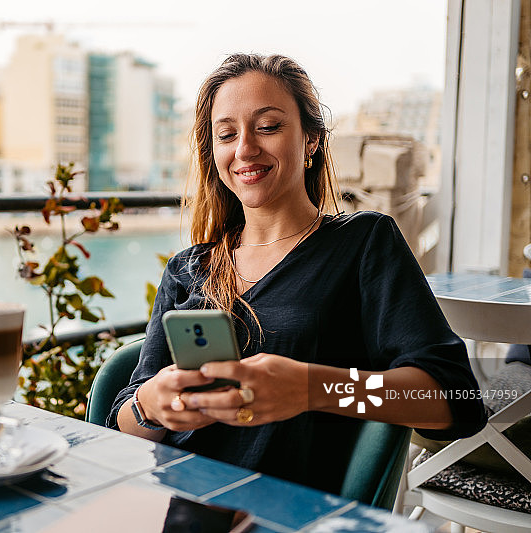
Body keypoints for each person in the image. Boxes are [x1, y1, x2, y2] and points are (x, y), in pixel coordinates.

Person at [108, 53, 487, 494]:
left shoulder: (363, 243)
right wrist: (152, 405)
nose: (245, 148)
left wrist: (311, 388)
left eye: (268, 126)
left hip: (286, 516)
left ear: (311, 140)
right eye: (227, 134)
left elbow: (456, 400)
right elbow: (120, 425)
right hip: (173, 504)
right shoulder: (187, 268)